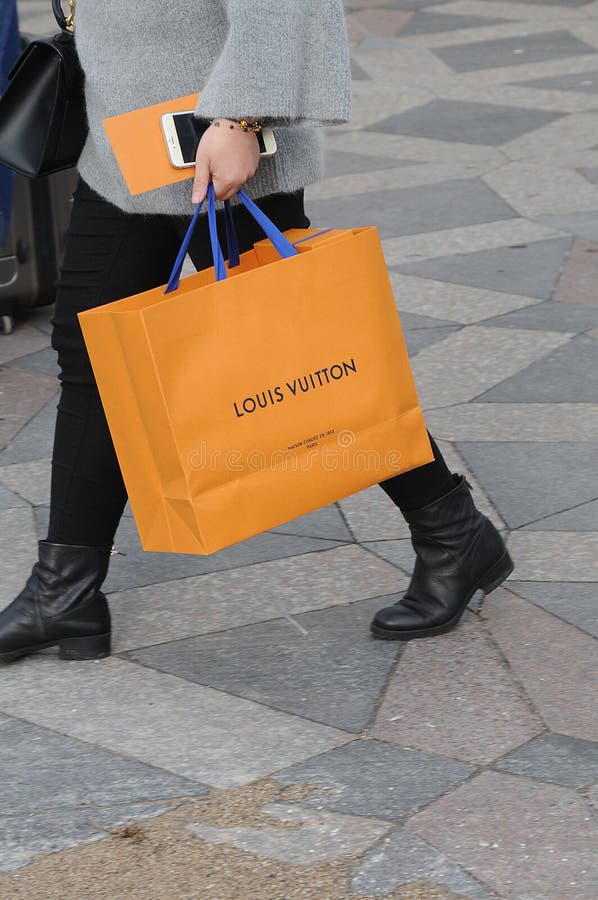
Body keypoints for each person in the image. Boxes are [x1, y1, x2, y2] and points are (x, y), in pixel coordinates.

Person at [0, 0, 512, 663]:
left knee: (299, 352)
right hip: (129, 130)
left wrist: (242, 114)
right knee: (91, 348)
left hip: (215, 131)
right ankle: (63, 592)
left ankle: (452, 529)